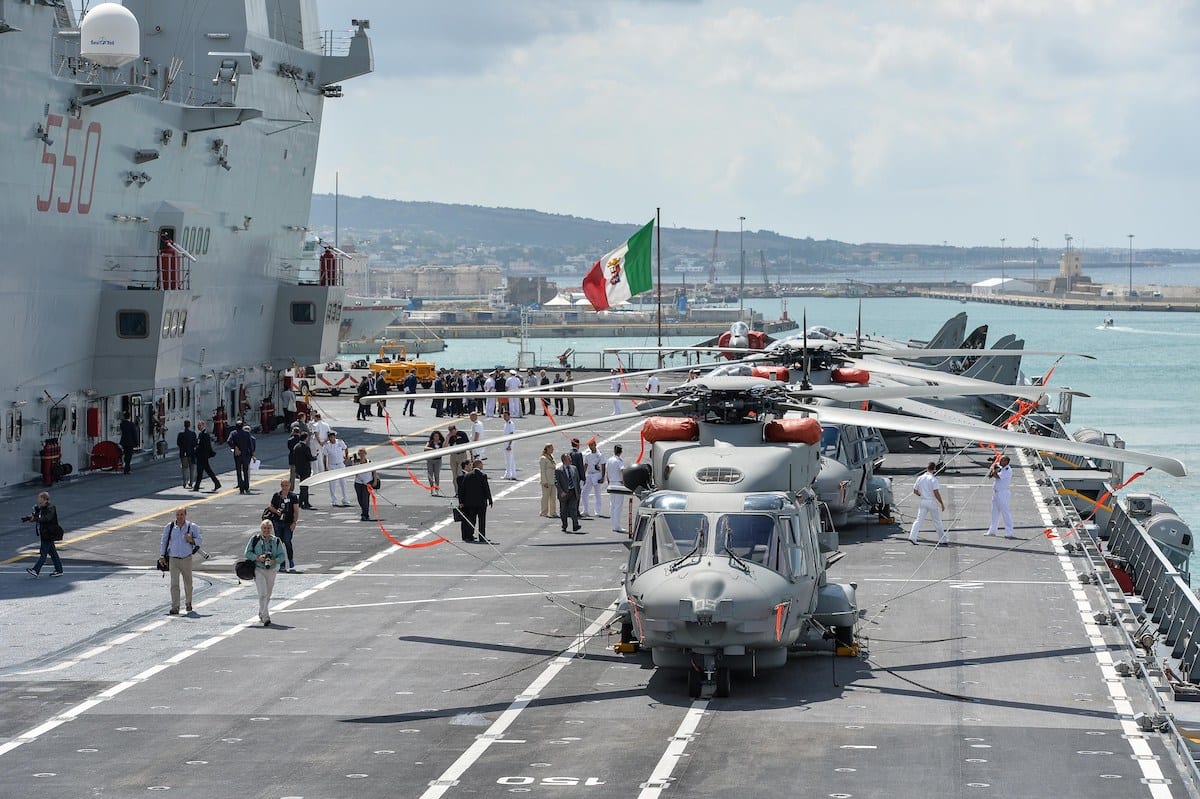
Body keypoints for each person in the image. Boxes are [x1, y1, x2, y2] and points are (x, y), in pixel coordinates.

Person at [160, 507, 202, 615]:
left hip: (186, 558)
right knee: (174, 584)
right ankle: (175, 607)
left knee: (188, 583)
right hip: (173, 558)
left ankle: (188, 602)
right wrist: (162, 555)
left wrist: (191, 540)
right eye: (178, 515)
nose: (179, 517)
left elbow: (199, 540)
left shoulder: (192, 527)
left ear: (185, 515)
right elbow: (164, 542)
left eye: (181, 514)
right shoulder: (169, 527)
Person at [245, 518, 286, 626]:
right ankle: (265, 617)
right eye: (264, 528)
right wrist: (258, 558)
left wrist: (274, 561)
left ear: (271, 529)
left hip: (271, 570)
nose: (266, 530)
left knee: (268, 594)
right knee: (262, 593)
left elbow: (282, 556)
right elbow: (247, 553)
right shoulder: (255, 539)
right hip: (259, 569)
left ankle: (261, 612)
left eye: (268, 528)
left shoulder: (276, 541)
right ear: (261, 528)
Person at [23, 491, 63, 577]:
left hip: (49, 534)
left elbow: (46, 519)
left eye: (39, 498)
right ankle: (59, 570)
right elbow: (39, 516)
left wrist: (36, 519)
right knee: (53, 553)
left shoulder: (51, 507)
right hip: (45, 533)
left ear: (44, 499)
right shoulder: (42, 507)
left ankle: (36, 570)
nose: (38, 499)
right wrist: (30, 518)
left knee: (43, 553)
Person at [908, 461, 948, 545]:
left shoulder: (920, 478)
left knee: (918, 520)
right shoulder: (933, 479)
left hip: (923, 501)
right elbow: (936, 493)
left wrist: (921, 494)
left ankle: (912, 536)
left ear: (927, 468)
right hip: (931, 501)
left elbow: (915, 491)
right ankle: (943, 539)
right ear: (934, 469)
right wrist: (941, 503)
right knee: (937, 521)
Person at [266, 478, 301, 572]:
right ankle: (282, 563)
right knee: (279, 543)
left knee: (287, 540)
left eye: (286, 485)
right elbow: (270, 506)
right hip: (278, 522)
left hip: (288, 522)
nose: (284, 487)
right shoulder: (277, 495)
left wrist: (294, 522)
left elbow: (296, 510)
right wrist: (276, 511)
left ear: (289, 485)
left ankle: (291, 559)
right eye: (283, 485)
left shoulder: (293, 496)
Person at [457, 458, 493, 543]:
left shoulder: (467, 475)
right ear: (479, 465)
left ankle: (469, 535)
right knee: (482, 520)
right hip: (481, 503)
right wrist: (490, 499)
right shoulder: (483, 476)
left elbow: (462, 490)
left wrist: (461, 501)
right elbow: (486, 489)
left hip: (470, 503)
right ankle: (482, 537)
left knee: (472, 520)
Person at [985, 454, 1015, 539]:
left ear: (1006, 462)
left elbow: (996, 476)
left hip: (1003, 493)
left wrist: (993, 468)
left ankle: (1009, 531)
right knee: (994, 512)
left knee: (1005, 512)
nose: (1000, 462)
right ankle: (992, 530)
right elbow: (991, 474)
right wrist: (993, 466)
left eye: (1002, 460)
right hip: (996, 493)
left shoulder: (1007, 470)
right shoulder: (1001, 467)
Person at [290, 431, 318, 509]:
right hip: (306, 469)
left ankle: (304, 502)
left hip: (299, 468)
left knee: (303, 485)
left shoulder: (296, 447)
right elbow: (310, 458)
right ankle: (301, 502)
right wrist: (315, 457)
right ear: (306, 438)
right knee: (305, 487)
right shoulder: (306, 447)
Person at [227, 419, 256, 494]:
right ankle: (246, 487)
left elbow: (228, 441)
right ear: (242, 426)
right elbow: (250, 445)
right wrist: (252, 454)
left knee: (239, 471)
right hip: (246, 455)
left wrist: (234, 447)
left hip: (237, 455)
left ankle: (241, 488)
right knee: (245, 471)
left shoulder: (233, 433)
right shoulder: (246, 434)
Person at [191, 420, 221, 492]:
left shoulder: (205, 434)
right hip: (201, 456)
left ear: (203, 426)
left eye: (200, 425)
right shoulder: (201, 434)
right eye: (198, 426)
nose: (198, 427)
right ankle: (215, 483)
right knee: (203, 471)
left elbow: (205, 446)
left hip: (202, 456)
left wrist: (202, 453)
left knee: (203, 471)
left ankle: (197, 486)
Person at [555, 453, 582, 532]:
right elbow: (556, 482)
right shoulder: (559, 470)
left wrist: (579, 492)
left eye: (570, 458)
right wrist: (561, 491)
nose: (570, 460)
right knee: (563, 510)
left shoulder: (574, 468)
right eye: (568, 459)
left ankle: (575, 525)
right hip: (564, 493)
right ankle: (564, 525)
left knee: (573, 509)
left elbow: (577, 481)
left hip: (573, 492)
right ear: (563, 461)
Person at [322, 430, 350, 506]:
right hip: (332, 465)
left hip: (341, 464)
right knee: (332, 483)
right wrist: (325, 467)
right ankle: (333, 499)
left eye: (333, 436)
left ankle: (345, 499)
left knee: (343, 482)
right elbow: (325, 456)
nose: (332, 438)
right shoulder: (326, 446)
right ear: (329, 438)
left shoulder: (340, 442)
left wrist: (346, 457)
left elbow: (346, 448)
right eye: (330, 437)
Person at [352, 448, 378, 521]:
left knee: (365, 499)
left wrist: (375, 481)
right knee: (360, 499)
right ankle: (364, 511)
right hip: (358, 483)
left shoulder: (370, 462)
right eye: (360, 454)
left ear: (365, 454)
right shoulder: (356, 463)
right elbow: (352, 470)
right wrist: (352, 463)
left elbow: (374, 472)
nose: (361, 455)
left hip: (367, 484)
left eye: (363, 453)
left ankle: (365, 514)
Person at [605, 444, 626, 532]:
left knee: (612, 505)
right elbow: (622, 471)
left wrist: (609, 481)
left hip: (611, 483)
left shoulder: (609, 460)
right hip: (618, 483)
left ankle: (614, 524)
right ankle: (616, 526)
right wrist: (624, 482)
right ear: (621, 451)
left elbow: (607, 472)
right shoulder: (619, 461)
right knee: (618, 506)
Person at [582, 439, 605, 517]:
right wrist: (582, 476)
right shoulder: (588, 455)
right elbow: (585, 465)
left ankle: (597, 511)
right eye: (589, 446)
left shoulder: (600, 455)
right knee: (584, 492)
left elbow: (603, 466)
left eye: (592, 445)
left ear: (595, 445)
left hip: (597, 474)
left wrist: (602, 477)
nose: (591, 447)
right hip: (589, 475)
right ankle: (585, 510)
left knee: (597, 493)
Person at [446, 424, 470, 498]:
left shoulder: (462, 434)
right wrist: (447, 438)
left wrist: (471, 455)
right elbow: (445, 447)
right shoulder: (450, 437)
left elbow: (468, 444)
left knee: (460, 474)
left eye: (452, 430)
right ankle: (457, 492)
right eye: (450, 431)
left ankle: (462, 491)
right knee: (454, 476)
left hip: (462, 455)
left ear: (455, 429)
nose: (451, 432)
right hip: (453, 456)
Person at [176, 420, 197, 489]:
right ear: (189, 425)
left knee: (184, 468)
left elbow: (178, 443)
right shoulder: (193, 434)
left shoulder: (180, 434)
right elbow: (195, 444)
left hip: (183, 454)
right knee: (192, 468)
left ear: (184, 425)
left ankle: (185, 482)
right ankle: (191, 483)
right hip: (191, 453)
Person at [538, 443, 557, 518]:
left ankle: (553, 512)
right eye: (551, 448)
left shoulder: (551, 457)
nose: (552, 450)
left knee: (553, 497)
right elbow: (542, 471)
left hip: (552, 480)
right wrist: (544, 481)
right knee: (545, 497)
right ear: (547, 449)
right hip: (547, 481)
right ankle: (544, 512)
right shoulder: (543, 458)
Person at [424, 430, 445, 496]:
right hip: (430, 460)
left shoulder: (441, 443)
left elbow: (445, 448)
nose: (436, 437)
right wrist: (432, 449)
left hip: (438, 460)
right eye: (435, 436)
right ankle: (431, 488)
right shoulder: (430, 442)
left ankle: (436, 489)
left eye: (437, 436)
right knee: (430, 475)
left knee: (436, 475)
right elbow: (425, 448)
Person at [501, 410, 517, 479]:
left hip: (508, 444)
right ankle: (513, 474)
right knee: (511, 459)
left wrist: (509, 445)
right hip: (506, 443)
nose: (504, 417)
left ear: (509, 416)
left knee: (508, 460)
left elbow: (511, 434)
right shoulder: (506, 424)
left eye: (505, 416)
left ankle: (508, 474)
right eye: (503, 416)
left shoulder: (510, 424)